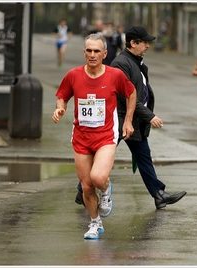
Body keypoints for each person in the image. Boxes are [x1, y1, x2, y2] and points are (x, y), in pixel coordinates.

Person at [75, 26, 187, 210]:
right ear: (133, 43)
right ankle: (83, 190)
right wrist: (149, 116)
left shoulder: (136, 62)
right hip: (118, 120)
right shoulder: (121, 63)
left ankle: (159, 195)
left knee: (143, 157)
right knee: (102, 159)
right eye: (144, 42)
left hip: (132, 121)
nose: (148, 46)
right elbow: (125, 96)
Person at [52, 34, 137, 240]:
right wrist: (60, 109)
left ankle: (106, 189)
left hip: (105, 136)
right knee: (86, 185)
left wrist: (128, 121)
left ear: (104, 54)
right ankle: (95, 222)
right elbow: (62, 95)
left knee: (98, 178)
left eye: (96, 51)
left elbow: (131, 93)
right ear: (84, 52)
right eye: (89, 51)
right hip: (81, 137)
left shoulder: (114, 75)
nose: (92, 55)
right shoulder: (73, 75)